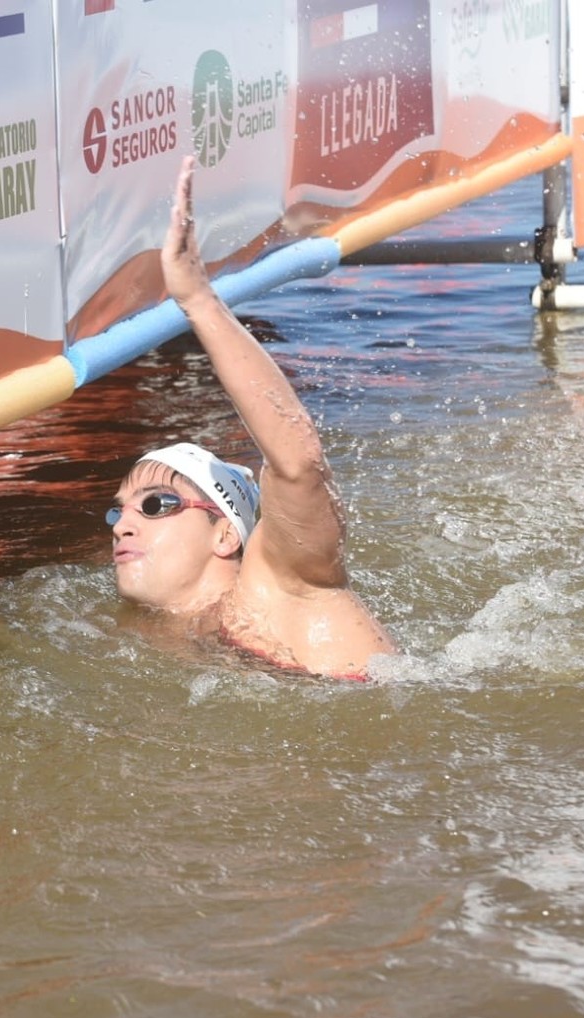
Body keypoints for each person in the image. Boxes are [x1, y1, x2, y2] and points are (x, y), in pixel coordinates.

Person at [108, 156, 398, 679]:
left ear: (225, 536)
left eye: (155, 504)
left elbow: (298, 463)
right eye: (120, 510)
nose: (123, 525)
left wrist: (198, 300)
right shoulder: (168, 634)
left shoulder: (285, 583)